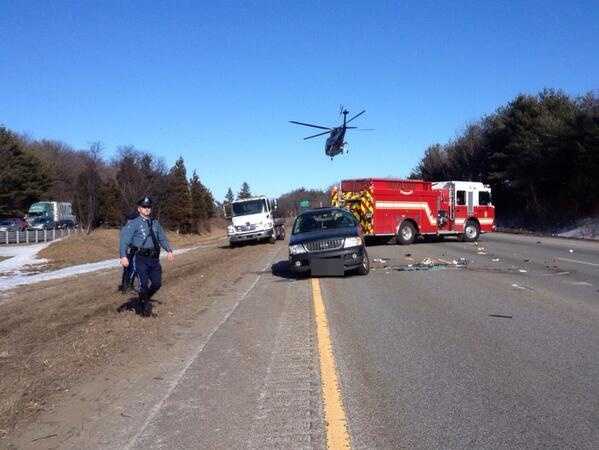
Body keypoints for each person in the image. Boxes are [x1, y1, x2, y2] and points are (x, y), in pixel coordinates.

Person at [119, 196, 174, 316]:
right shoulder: (134, 224)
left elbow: (162, 238)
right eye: (144, 207)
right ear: (139, 209)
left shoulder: (155, 223)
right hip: (140, 259)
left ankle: (143, 299)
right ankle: (143, 309)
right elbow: (124, 240)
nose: (147, 209)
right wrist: (123, 255)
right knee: (143, 284)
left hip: (154, 259)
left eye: (149, 207)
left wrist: (169, 250)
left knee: (157, 283)